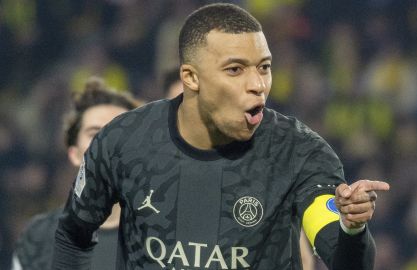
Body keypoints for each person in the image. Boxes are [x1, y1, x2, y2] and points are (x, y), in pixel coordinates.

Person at [53, 3, 390, 269]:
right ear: (191, 77)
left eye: (264, 67)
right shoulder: (124, 141)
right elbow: (73, 234)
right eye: (235, 69)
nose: (257, 84)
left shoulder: (299, 152)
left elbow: (342, 256)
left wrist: (351, 227)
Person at [11, 77, 142, 270]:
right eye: (94, 133)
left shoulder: (163, 232)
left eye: (120, 132)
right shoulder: (38, 236)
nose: (107, 143)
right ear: (74, 154)